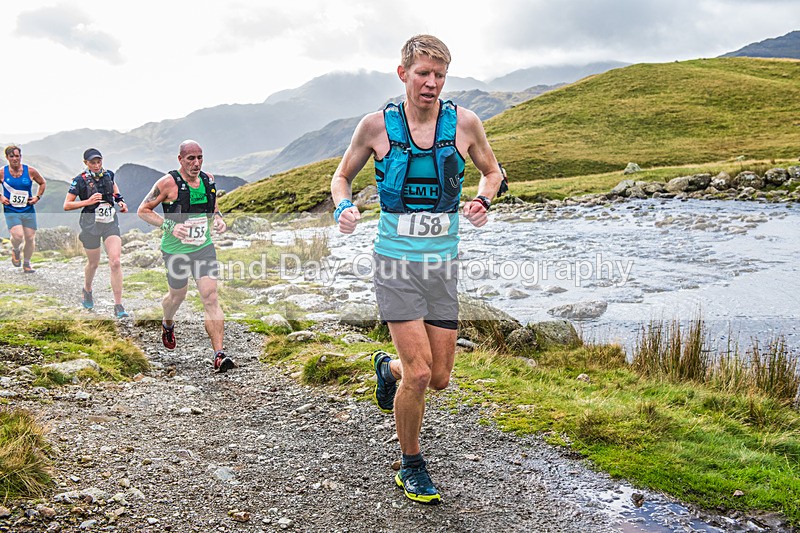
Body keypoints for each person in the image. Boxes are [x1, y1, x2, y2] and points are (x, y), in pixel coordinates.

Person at [330, 35, 503, 504]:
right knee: (421, 374)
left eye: (439, 75)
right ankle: (410, 465)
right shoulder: (375, 127)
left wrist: (484, 199)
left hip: (441, 266)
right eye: (423, 73)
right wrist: (343, 207)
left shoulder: (464, 123)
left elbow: (493, 171)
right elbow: (341, 175)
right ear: (403, 73)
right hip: (395, 264)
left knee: (440, 376)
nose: (431, 83)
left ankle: (386, 371)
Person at [137, 140, 234, 373]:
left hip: (203, 247)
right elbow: (143, 210)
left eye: (200, 157)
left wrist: (218, 218)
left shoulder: (208, 180)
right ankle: (167, 322)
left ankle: (219, 355)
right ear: (180, 159)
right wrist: (169, 226)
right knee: (176, 297)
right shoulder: (167, 183)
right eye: (191, 158)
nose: (196, 163)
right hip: (176, 250)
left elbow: (213, 205)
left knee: (210, 297)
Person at [63, 148, 130, 319]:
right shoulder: (79, 180)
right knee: (93, 263)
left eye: (98, 161)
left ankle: (118, 305)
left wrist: (120, 201)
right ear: (86, 163)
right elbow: (67, 205)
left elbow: (114, 188)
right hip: (90, 224)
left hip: (109, 223)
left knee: (115, 262)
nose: (96, 165)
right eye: (92, 162)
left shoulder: (109, 174)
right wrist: (88, 201)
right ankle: (87, 289)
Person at [1, 145, 46, 273]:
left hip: (28, 209)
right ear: (7, 158)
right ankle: (16, 250)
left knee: (30, 237)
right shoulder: (2, 172)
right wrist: (1, 197)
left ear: (20, 157)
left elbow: (42, 183)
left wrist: (37, 197)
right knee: (18, 236)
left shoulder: (30, 171)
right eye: (12, 156)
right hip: (11, 209)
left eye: (17, 156)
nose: (15, 159)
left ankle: (26, 264)